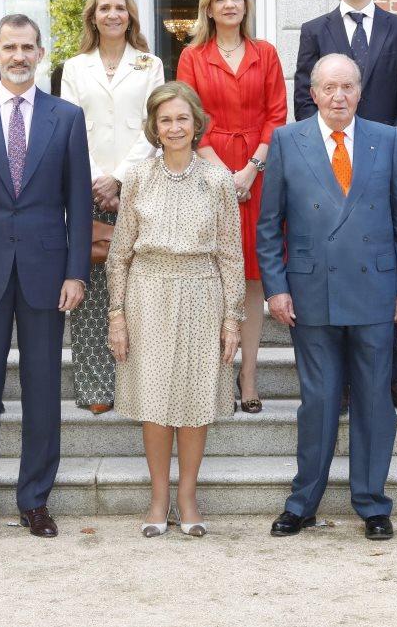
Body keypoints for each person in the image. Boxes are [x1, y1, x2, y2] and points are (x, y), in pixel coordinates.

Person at [257, 53, 397, 541]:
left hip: (375, 286)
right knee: (319, 400)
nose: (338, 96)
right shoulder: (287, 141)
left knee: (374, 399)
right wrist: (276, 287)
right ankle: (303, 501)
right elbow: (269, 227)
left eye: (347, 86)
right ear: (312, 93)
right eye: (328, 87)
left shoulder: (387, 139)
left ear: (360, 90)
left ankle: (372, 503)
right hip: (310, 292)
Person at [0, 15, 92, 540]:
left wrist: (77, 273)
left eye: (28, 47)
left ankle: (35, 500)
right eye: (10, 47)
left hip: (47, 274)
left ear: (42, 52)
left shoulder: (67, 118)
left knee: (43, 387)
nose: (19, 55)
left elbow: (77, 202)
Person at [294, 0, 397, 413]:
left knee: (384, 266)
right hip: (330, 171)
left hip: (384, 170)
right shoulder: (316, 30)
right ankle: (345, 385)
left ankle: (392, 379)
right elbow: (304, 101)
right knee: (341, 272)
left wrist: (390, 153)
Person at [108, 82, 243, 537]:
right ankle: (158, 496)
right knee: (154, 399)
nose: (174, 127)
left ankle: (187, 494)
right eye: (165, 120)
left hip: (203, 293)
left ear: (196, 123)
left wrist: (232, 318)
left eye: (182, 118)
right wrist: (117, 314)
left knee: (195, 397)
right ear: (154, 127)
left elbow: (230, 253)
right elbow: (120, 251)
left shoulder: (217, 179)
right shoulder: (139, 179)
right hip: (148, 292)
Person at [176, 0, 286, 414]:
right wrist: (225, 174)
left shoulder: (266, 53)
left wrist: (251, 169)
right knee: (214, 276)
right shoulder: (193, 56)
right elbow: (188, 116)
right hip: (208, 171)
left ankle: (248, 375)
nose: (228, 4)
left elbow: (277, 115)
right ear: (208, 6)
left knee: (254, 278)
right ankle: (216, 372)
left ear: (246, 4)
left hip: (261, 173)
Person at [59, 0, 165, 414]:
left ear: (130, 15)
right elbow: (67, 124)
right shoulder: (74, 66)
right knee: (91, 287)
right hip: (85, 187)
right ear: (93, 16)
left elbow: (154, 124)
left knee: (138, 287)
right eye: (104, 8)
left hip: (137, 186)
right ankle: (95, 388)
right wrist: (95, 178)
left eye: (120, 8)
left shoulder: (149, 64)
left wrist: (119, 178)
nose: (112, 15)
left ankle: (136, 383)